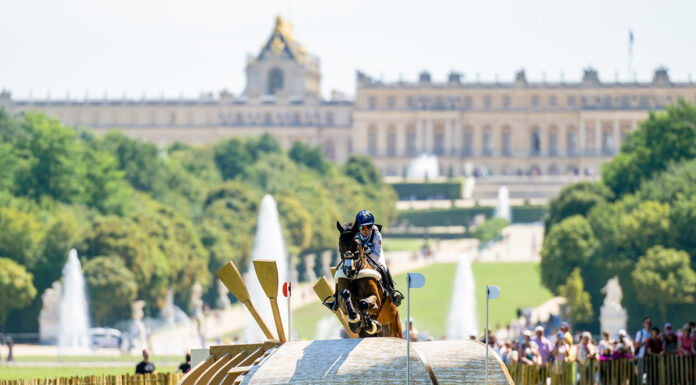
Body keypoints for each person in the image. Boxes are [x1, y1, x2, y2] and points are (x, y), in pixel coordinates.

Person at [354, 210, 403, 306]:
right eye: (362, 227)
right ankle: (336, 297)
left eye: (368, 227)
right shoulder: (354, 234)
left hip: (374, 256)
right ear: (358, 227)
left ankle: (393, 293)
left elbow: (376, 255)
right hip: (359, 258)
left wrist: (366, 250)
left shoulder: (376, 235)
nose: (365, 230)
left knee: (383, 268)